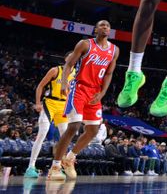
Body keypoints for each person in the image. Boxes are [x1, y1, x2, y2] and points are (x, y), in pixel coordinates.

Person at [47, 20, 119, 181]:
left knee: (93, 130)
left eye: (108, 25)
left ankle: (70, 158)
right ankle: (55, 166)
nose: (105, 27)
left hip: (95, 93)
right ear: (96, 29)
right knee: (73, 127)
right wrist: (64, 82)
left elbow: (108, 74)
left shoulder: (114, 50)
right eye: (102, 25)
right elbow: (69, 64)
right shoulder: (85, 44)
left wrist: (102, 93)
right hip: (79, 88)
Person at [25, 53, 75, 178]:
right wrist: (37, 102)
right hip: (50, 104)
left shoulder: (76, 74)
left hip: (63, 106)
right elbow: (40, 86)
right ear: (65, 58)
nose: (73, 59)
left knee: (65, 138)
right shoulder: (55, 70)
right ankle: (30, 167)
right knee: (42, 133)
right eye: (71, 56)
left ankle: (56, 167)